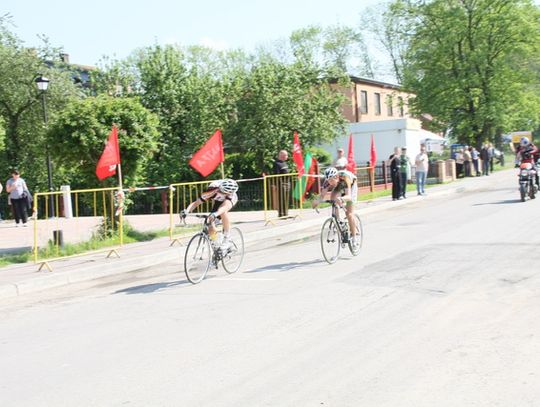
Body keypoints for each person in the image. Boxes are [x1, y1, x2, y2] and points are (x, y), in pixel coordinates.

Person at [181, 179, 239, 251]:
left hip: (228, 202)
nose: (226, 194)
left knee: (223, 212)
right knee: (210, 225)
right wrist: (187, 210)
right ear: (220, 189)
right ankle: (216, 244)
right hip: (218, 201)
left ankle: (227, 238)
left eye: (227, 193)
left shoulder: (231, 194)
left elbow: (225, 207)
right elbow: (196, 203)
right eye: (224, 193)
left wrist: (215, 214)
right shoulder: (212, 190)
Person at [312, 167, 360, 247]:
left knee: (349, 214)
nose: (330, 183)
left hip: (351, 186)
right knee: (333, 198)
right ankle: (338, 221)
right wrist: (316, 202)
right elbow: (322, 196)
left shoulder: (345, 179)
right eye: (328, 180)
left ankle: (354, 238)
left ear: (336, 177)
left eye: (331, 180)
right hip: (339, 185)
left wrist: (341, 198)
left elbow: (349, 197)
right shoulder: (328, 182)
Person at [273, 150, 290, 218]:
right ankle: (281, 214)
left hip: (287, 183)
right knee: (281, 199)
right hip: (281, 184)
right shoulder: (277, 163)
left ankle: (285, 213)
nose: (287, 156)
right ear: (282, 156)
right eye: (286, 155)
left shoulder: (285, 163)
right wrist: (275, 184)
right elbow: (276, 175)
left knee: (286, 199)